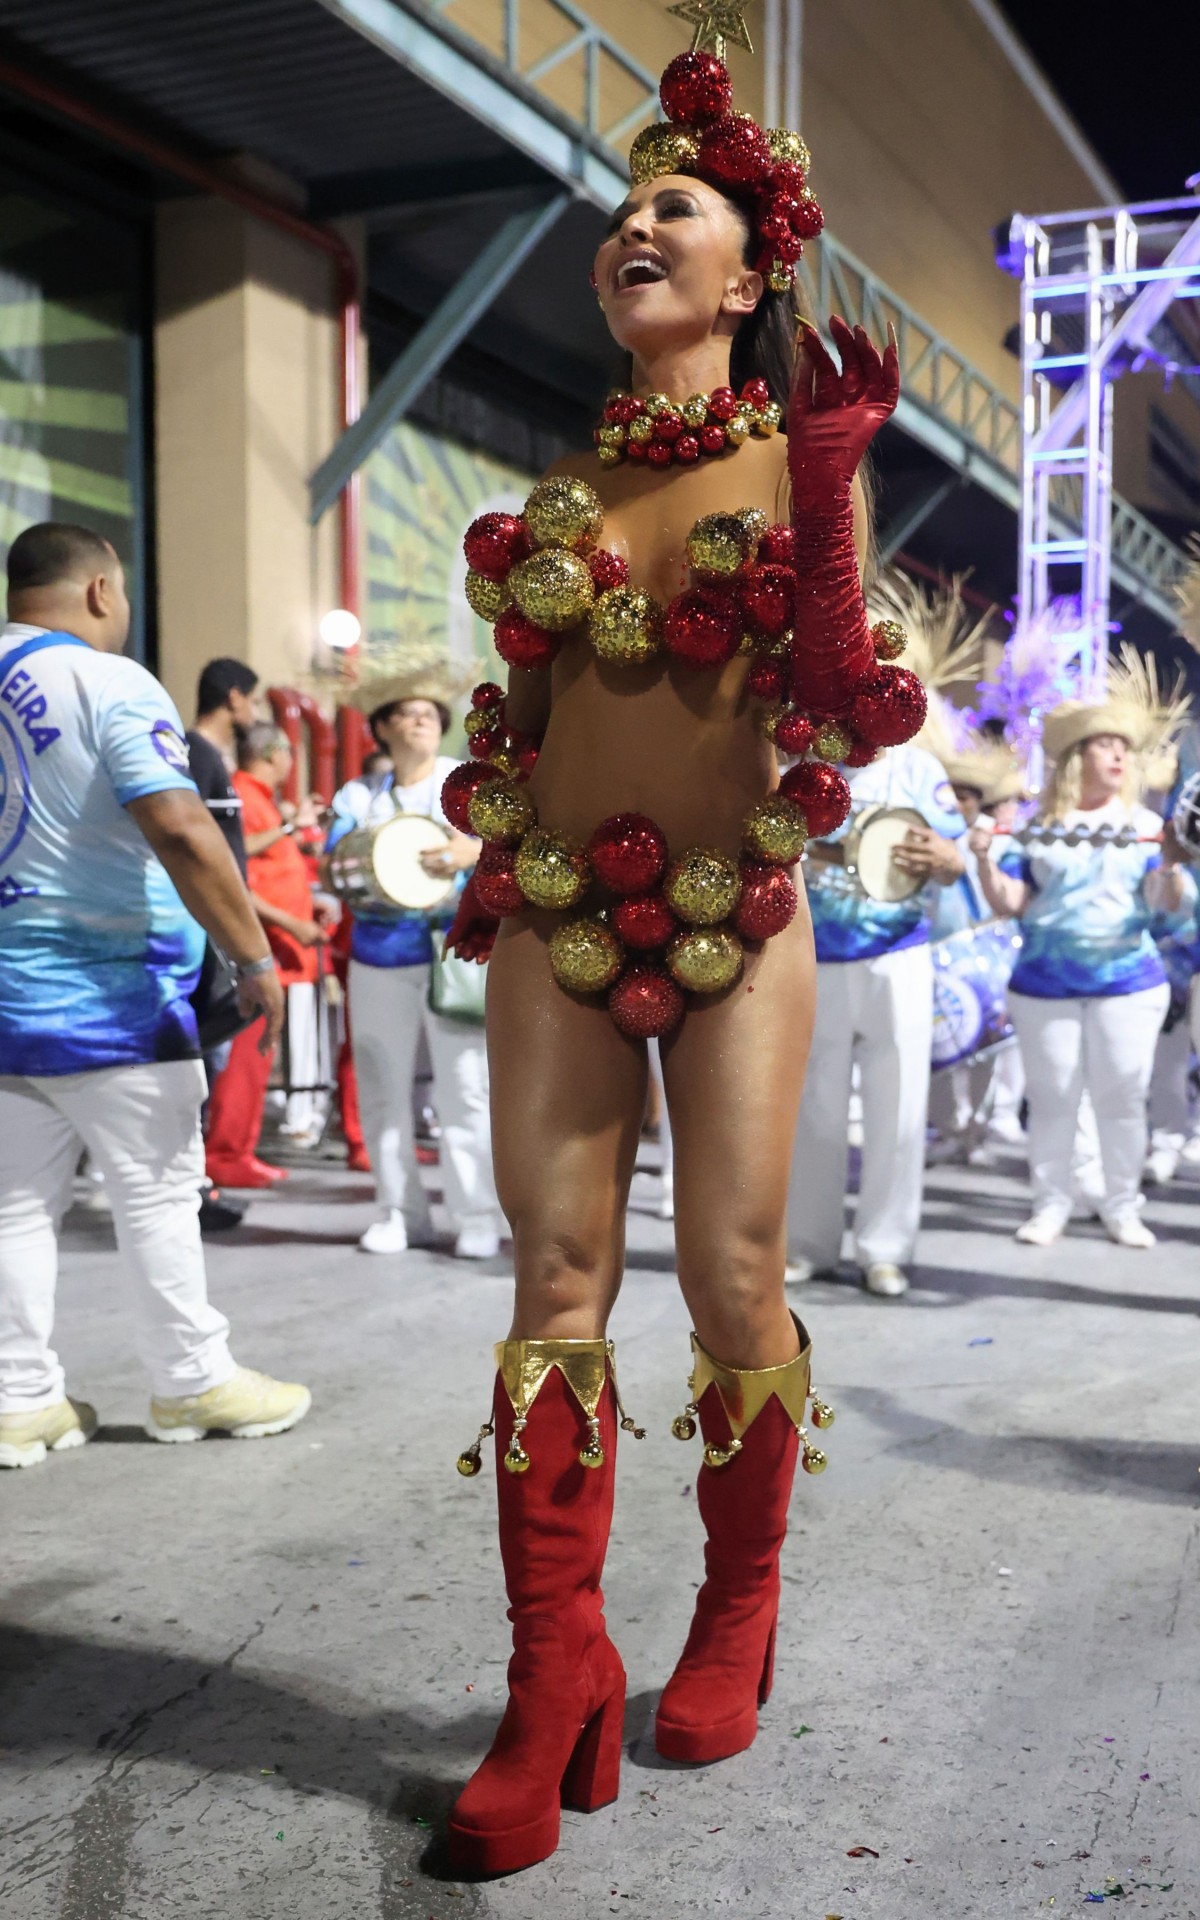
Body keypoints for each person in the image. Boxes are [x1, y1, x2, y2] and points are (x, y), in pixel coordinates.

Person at [434, 29, 926, 1876]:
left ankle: (738, 1609)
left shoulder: (802, 459)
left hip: (742, 916)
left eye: (678, 210)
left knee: (729, 1279)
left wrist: (834, 485)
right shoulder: (558, 488)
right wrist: (487, 864)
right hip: (559, 913)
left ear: (746, 277)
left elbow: (847, 708)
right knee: (552, 1278)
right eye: (623, 211)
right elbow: (523, 716)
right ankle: (551, 1674)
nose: (634, 228)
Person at [0, 521, 311, 1468]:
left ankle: (19, 1399)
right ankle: (192, 1382)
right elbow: (178, 826)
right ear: (101, 590)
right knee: (159, 1194)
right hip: (115, 1004)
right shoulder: (108, 682)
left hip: (6, 1005)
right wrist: (254, 960)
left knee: (14, 1208)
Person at [972, 656, 1194, 1248]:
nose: (1119, 755)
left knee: (1123, 1099)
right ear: (1077, 757)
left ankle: (1122, 1206)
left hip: (1129, 982)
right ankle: (1051, 1204)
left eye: (1124, 746)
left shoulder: (1147, 826)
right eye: (1104, 744)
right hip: (1044, 983)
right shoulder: (1035, 826)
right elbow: (1014, 900)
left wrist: (1171, 867)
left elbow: (1172, 907)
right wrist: (982, 862)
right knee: (1051, 1100)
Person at [325, 671, 501, 1259]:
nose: (422, 719)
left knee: (466, 1087)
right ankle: (398, 1212)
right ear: (381, 728)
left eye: (430, 712)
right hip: (378, 954)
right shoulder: (358, 797)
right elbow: (336, 865)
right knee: (380, 1084)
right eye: (407, 711)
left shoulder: (466, 784)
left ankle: (477, 1214)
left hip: (454, 952)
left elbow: (505, 845)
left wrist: (470, 849)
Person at [785, 741, 965, 1297]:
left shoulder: (920, 769)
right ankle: (807, 1244)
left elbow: (954, 860)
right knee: (815, 1109)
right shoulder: (806, 767)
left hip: (899, 954)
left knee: (900, 1107)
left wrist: (947, 859)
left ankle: (886, 1250)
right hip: (818, 956)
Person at [203, 725, 333, 1187]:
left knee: (257, 1057)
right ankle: (225, 1153)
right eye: (289, 754)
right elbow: (235, 873)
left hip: (275, 949)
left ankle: (237, 1149)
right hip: (259, 951)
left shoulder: (258, 798)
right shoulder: (242, 794)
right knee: (247, 1056)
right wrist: (293, 924)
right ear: (275, 754)